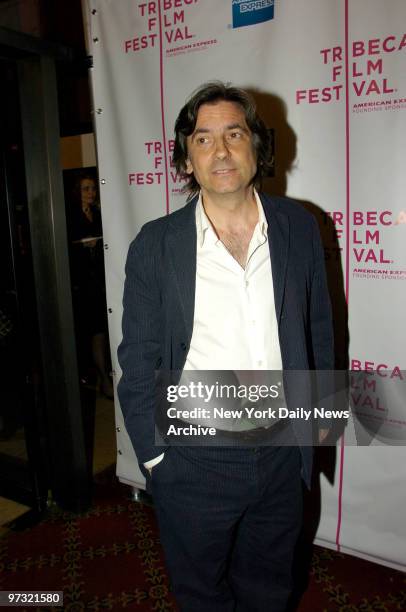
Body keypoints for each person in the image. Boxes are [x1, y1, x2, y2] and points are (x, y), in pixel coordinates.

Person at [118, 82, 334, 611]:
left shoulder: (298, 228)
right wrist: (155, 458)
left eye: (234, 133)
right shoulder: (156, 244)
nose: (220, 150)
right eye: (202, 138)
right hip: (193, 457)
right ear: (186, 160)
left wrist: (318, 426)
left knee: (271, 588)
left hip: (283, 453)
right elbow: (138, 362)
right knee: (201, 594)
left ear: (256, 147)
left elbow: (320, 329)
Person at [68, 173, 113, 399]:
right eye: (86, 189)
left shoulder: (97, 213)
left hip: (99, 281)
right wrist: (83, 246)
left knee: (100, 332)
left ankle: (104, 378)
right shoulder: (70, 215)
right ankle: (96, 377)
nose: (91, 193)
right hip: (80, 283)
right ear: (78, 192)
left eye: (93, 188)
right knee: (87, 332)